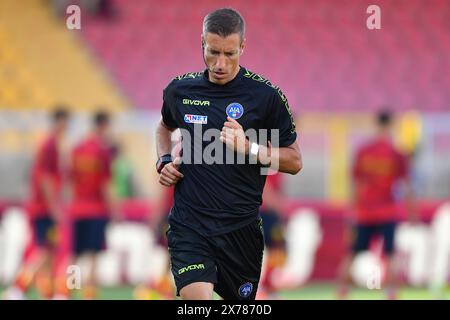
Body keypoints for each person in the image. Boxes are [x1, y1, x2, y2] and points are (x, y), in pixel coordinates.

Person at [155, 8, 302, 300]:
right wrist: (164, 160)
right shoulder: (180, 91)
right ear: (202, 43)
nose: (220, 63)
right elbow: (163, 128)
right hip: (190, 226)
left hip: (241, 232)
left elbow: (294, 161)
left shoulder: (265, 98)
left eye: (230, 54)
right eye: (213, 52)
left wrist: (250, 147)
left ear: (243, 47)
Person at [336, 110, 417, 300]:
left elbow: (355, 185)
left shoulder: (364, 151)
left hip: (364, 212)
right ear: (390, 126)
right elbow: (406, 186)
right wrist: (412, 212)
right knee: (389, 255)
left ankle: (341, 292)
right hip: (387, 211)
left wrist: (351, 213)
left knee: (352, 254)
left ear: (376, 124)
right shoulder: (397, 154)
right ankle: (391, 294)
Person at [3, 108, 70, 300]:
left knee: (49, 251)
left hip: (40, 206)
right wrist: (54, 208)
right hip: (43, 208)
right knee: (43, 251)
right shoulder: (49, 145)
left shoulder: (48, 143)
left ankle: (48, 293)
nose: (66, 127)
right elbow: (46, 179)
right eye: (65, 122)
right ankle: (17, 289)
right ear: (59, 121)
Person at [68, 111, 118, 299]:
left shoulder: (77, 149)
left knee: (75, 255)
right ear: (104, 125)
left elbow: (71, 180)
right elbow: (105, 184)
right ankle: (89, 295)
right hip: (96, 210)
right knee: (94, 255)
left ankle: (68, 292)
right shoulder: (102, 151)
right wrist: (114, 209)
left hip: (77, 208)